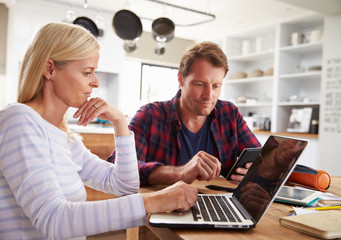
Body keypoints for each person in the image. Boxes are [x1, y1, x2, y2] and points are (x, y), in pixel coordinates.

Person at [0, 22, 198, 240]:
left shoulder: (67, 142)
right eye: (87, 72)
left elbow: (124, 185)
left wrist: (120, 123)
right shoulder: (18, 120)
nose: (95, 82)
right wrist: (157, 200)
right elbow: (53, 219)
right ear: (50, 69)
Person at [108, 41, 261, 186]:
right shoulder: (149, 115)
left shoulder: (230, 114)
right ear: (181, 80)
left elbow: (260, 159)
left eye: (216, 86)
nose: (209, 95)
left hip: (218, 205)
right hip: (164, 208)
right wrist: (180, 173)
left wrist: (253, 172)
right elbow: (117, 167)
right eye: (200, 84)